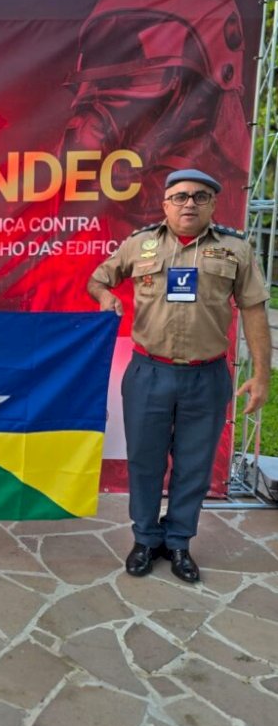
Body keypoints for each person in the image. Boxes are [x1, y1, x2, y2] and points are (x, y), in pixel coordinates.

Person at [87, 168, 271, 583]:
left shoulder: (235, 250)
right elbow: (99, 278)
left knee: (194, 465)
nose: (190, 203)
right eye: (181, 196)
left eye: (201, 196)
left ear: (213, 204)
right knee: (145, 462)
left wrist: (262, 375)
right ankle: (146, 539)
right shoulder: (140, 245)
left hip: (206, 377)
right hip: (149, 373)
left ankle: (179, 542)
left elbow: (255, 311)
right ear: (166, 204)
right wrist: (104, 297)